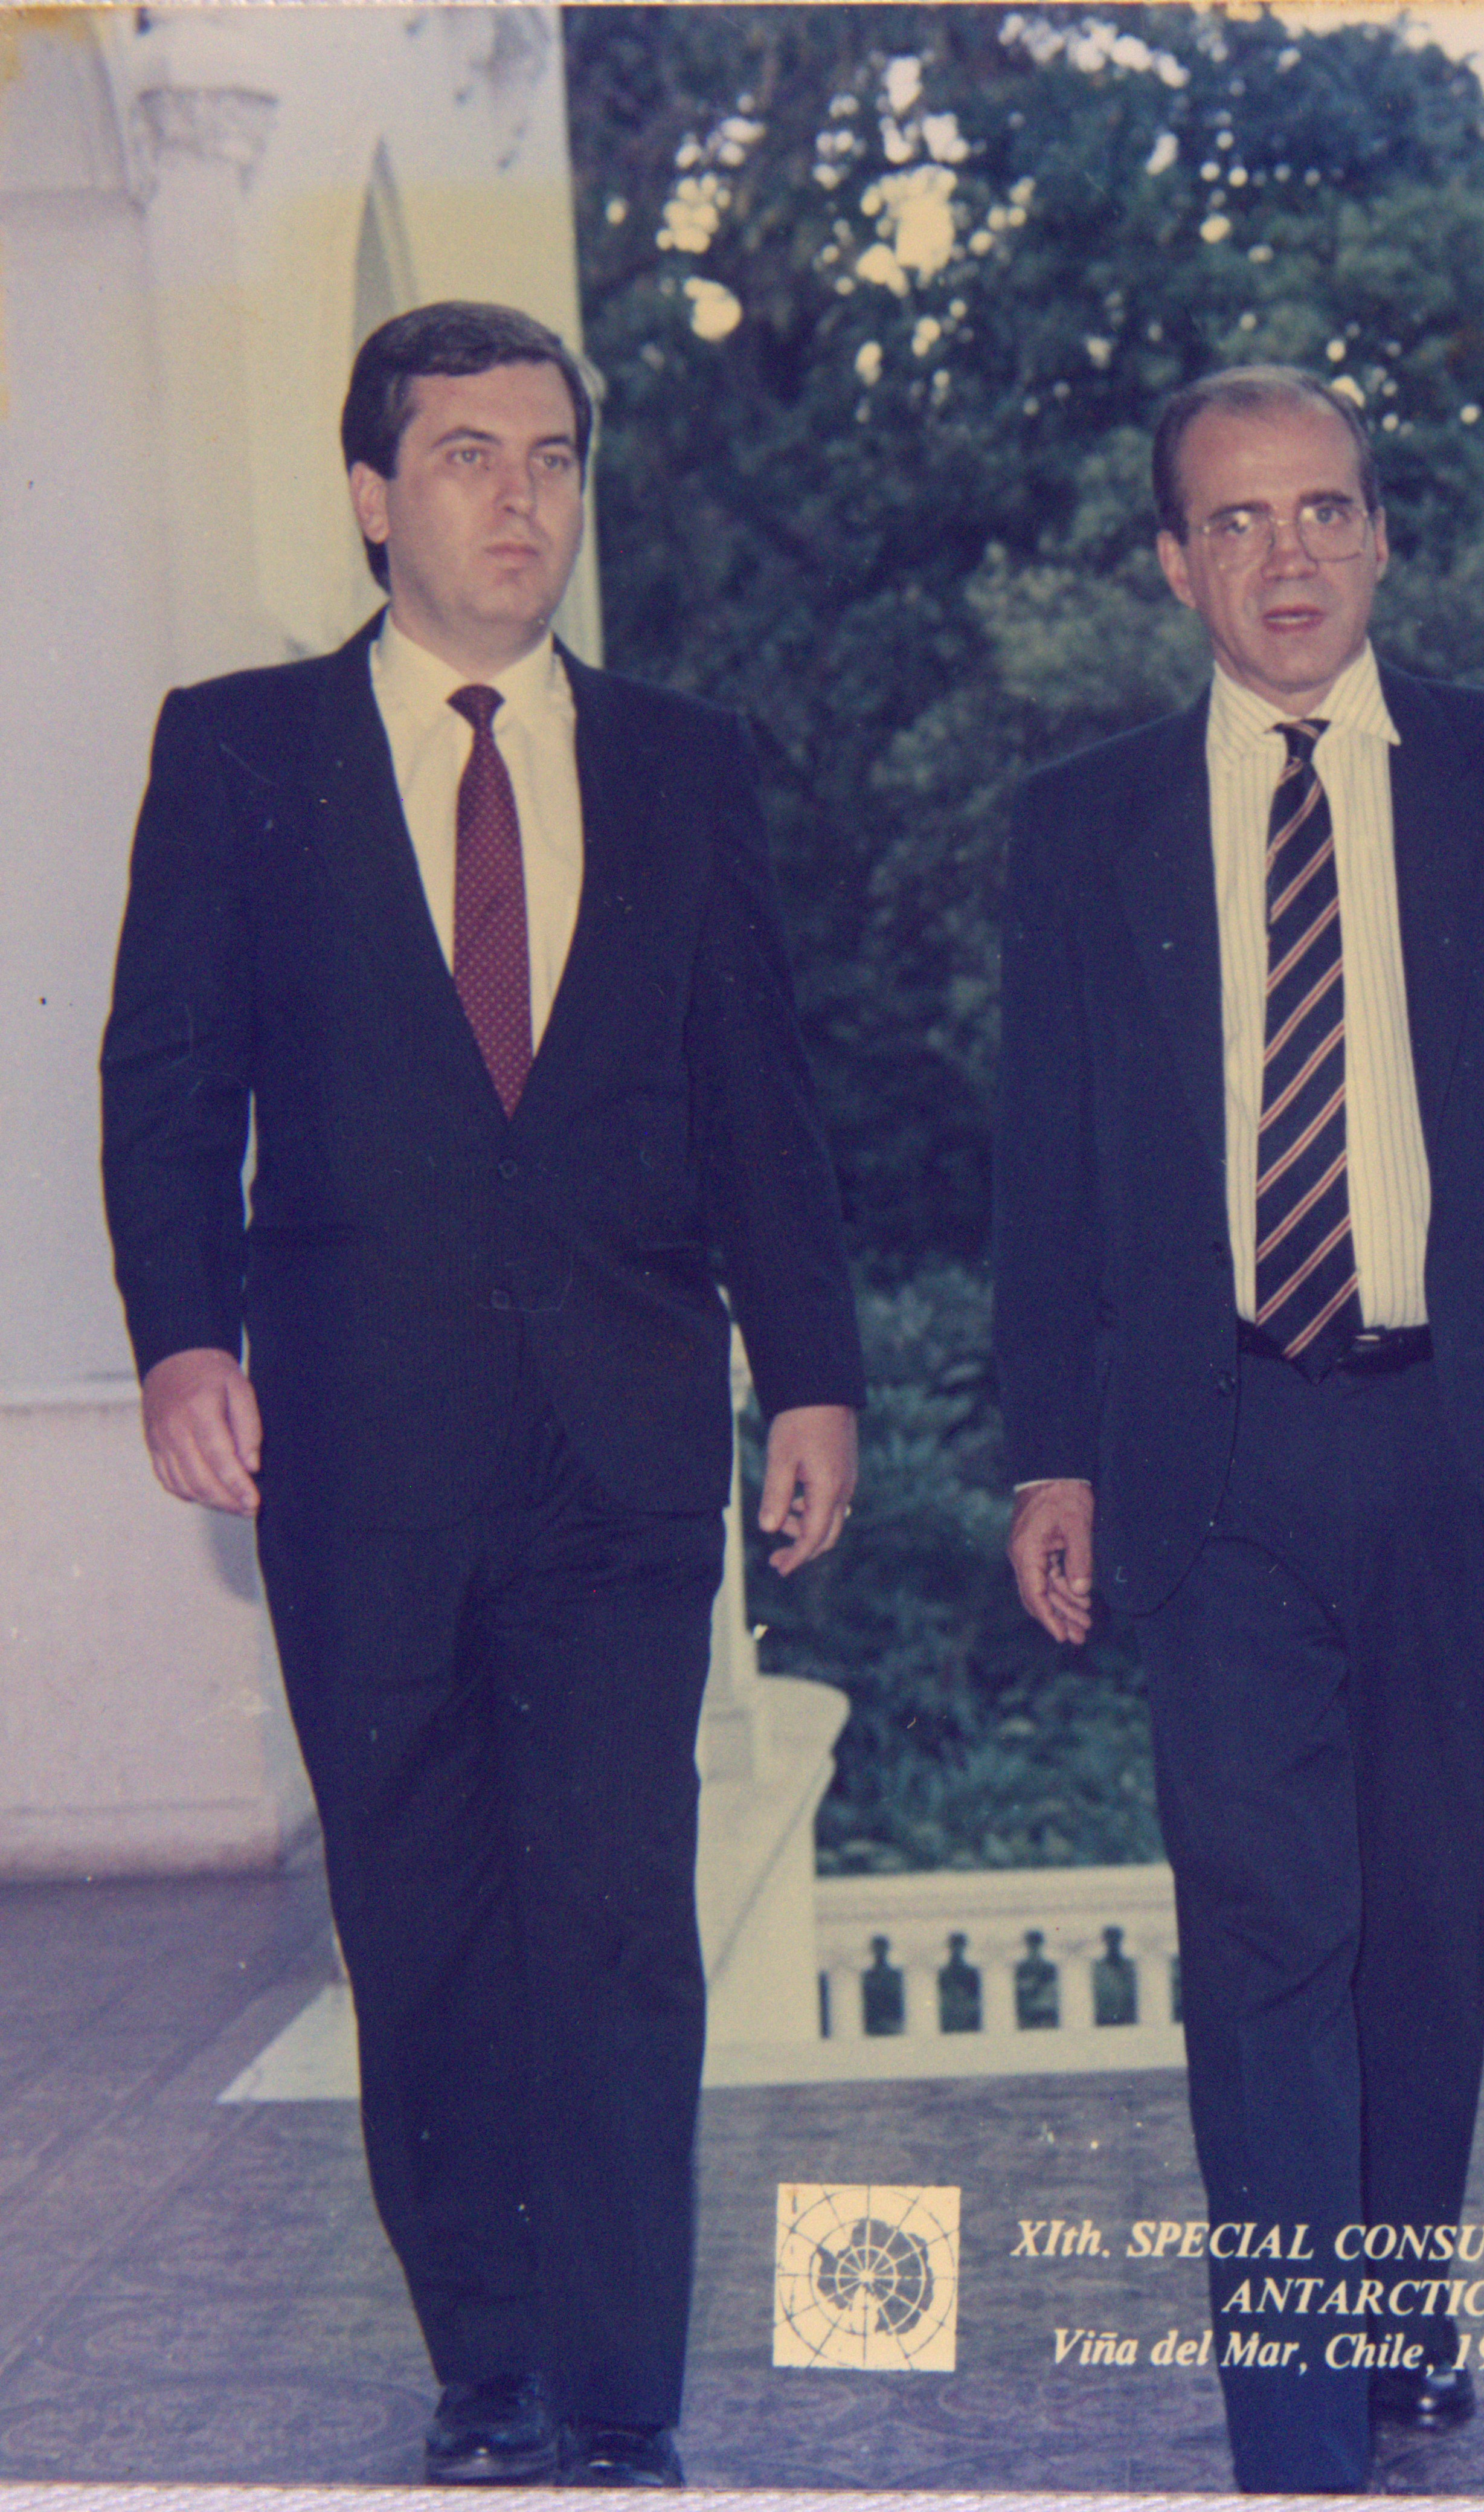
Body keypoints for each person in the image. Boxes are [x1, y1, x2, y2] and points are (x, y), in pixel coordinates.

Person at [98, 301, 864, 2489]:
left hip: (626, 1446)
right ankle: (490, 2364)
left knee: (619, 1916)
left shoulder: (685, 759)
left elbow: (760, 1106)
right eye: (465, 457)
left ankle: (619, 2394)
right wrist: (178, 1335)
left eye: (549, 457)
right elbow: (167, 1082)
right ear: (372, 497)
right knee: (423, 1927)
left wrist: (809, 1375)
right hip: (360, 1452)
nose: (519, 499)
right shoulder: (241, 749)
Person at [989, 366, 1484, 2493]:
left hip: (1471, 1439)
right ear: (1174, 564)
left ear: (1383, 537)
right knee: (1259, 1923)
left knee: (1425, 1904)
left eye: (1322, 512)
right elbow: (1042, 1173)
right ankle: (1294, 2416)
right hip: (1215, 1453)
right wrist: (1055, 1451)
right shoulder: (1086, 822)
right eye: (1237, 522)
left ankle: (1399, 2306)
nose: (1286, 555)